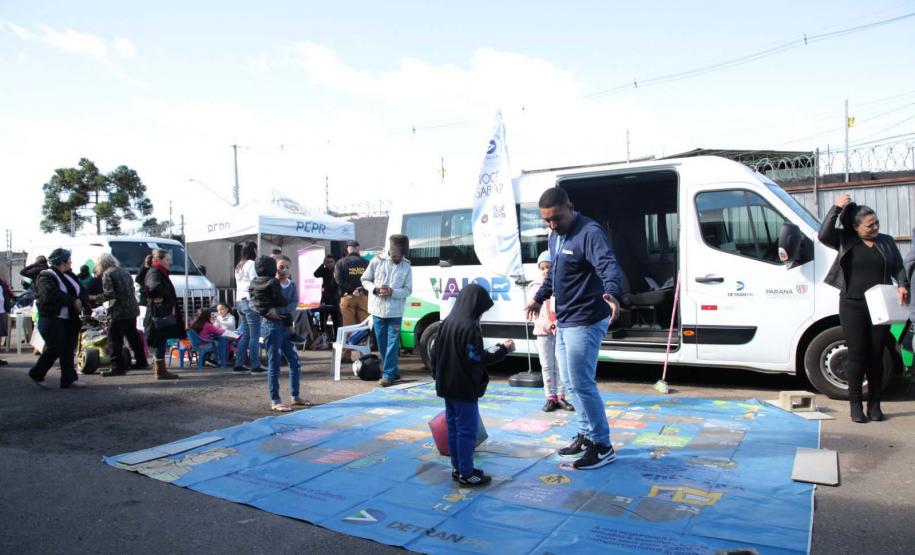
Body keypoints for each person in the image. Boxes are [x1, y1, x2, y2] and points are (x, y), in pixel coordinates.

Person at [525, 187, 622, 470]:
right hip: (565, 321)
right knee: (569, 383)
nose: (552, 225)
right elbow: (555, 274)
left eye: (556, 218)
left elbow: (608, 266)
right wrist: (538, 298)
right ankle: (586, 433)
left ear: (571, 207)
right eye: (547, 221)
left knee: (582, 383)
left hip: (587, 319)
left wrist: (613, 293)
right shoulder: (555, 235)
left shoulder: (589, 232)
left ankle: (603, 446)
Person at [819, 194, 908, 422]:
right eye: (870, 225)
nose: (875, 227)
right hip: (852, 304)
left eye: (876, 223)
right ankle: (856, 404)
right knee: (857, 355)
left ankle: (875, 404)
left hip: (879, 306)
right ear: (856, 227)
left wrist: (902, 285)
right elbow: (823, 234)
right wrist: (836, 209)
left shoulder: (886, 241)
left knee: (876, 355)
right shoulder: (845, 239)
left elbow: (898, 267)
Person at [434, 283, 513, 486]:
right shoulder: (468, 327)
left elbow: (435, 353)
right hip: (463, 387)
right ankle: (467, 473)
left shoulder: (447, 322)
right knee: (466, 431)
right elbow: (476, 357)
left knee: (453, 427)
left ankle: (458, 467)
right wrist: (502, 349)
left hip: (447, 385)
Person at [27, 248, 90, 389]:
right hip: (51, 318)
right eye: (69, 260)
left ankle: (69, 379)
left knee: (68, 349)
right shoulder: (46, 276)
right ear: (62, 262)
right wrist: (73, 301)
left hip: (68, 319)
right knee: (55, 347)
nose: (71, 262)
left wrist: (81, 301)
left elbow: (82, 291)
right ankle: (37, 373)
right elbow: (50, 295)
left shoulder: (69, 275)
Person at [361, 235, 413, 387]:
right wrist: (375, 289)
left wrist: (392, 292)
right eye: (397, 255)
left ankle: (388, 374)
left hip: (395, 312)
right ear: (390, 251)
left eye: (402, 255)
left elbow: (408, 290)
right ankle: (393, 371)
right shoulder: (377, 261)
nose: (399, 257)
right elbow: (365, 280)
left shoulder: (406, 266)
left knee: (392, 344)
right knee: (382, 344)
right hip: (377, 310)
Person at [260, 255, 306, 411]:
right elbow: (262, 305)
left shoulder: (291, 285)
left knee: (295, 362)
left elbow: (294, 303)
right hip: (271, 327)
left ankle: (295, 396)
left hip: (286, 327)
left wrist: (280, 311)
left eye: (287, 267)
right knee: (275, 364)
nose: (284, 270)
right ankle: (275, 399)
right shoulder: (269, 284)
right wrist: (276, 312)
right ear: (274, 268)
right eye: (281, 267)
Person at [530, 251, 574, 413]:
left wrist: (558, 323)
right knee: (547, 365)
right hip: (543, 332)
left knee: (561, 365)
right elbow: (533, 314)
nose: (545, 270)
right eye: (542, 268)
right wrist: (547, 324)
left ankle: (561, 396)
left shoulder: (562, 284)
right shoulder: (535, 288)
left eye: (549, 267)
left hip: (560, 330)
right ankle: (550, 397)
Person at [95, 252, 149, 377]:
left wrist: (94, 298)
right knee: (133, 336)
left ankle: (117, 367)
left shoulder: (107, 274)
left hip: (119, 311)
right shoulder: (123, 271)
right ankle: (142, 361)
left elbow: (110, 294)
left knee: (114, 339)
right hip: (132, 308)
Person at [143, 248, 183, 380]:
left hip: (161, 311)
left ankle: (160, 369)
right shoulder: (155, 272)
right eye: (167, 260)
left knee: (162, 339)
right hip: (158, 313)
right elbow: (153, 288)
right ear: (158, 260)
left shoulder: (160, 272)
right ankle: (160, 371)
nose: (169, 262)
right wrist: (165, 296)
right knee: (160, 339)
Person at [334, 240, 369, 361]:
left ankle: (346, 355)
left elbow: (338, 280)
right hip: (363, 296)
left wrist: (352, 289)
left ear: (347, 249)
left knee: (347, 326)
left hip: (347, 297)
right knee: (364, 326)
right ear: (358, 249)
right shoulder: (366, 262)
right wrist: (360, 289)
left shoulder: (340, 263)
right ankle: (365, 354)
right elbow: (372, 279)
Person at [233, 241, 263, 374]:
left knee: (245, 335)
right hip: (249, 301)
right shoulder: (251, 264)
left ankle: (238, 364)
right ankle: (255, 365)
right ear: (254, 250)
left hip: (239, 301)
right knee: (254, 336)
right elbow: (255, 282)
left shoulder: (239, 265)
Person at [313, 255, 341, 337]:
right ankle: (325, 337)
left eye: (331, 262)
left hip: (335, 299)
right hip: (325, 298)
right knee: (323, 320)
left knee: (336, 320)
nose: (329, 264)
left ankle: (336, 337)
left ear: (334, 262)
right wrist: (323, 264)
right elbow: (316, 274)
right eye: (327, 262)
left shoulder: (337, 270)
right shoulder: (324, 270)